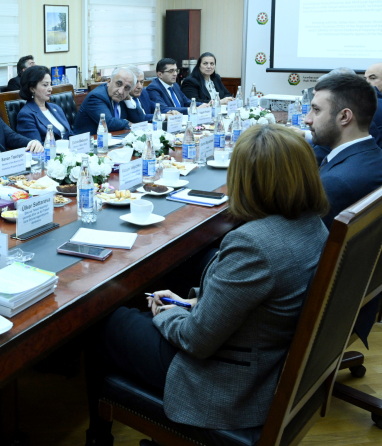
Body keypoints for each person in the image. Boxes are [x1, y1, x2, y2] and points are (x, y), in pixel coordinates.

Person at [84, 124, 330, 444]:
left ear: (245, 179)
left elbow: (195, 339)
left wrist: (168, 313)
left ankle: (98, 437)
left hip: (225, 383)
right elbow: (255, 298)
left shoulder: (253, 244)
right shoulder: (315, 224)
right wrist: (190, 303)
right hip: (264, 356)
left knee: (102, 321)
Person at [304, 73, 382, 229]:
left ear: (345, 117)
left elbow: (308, 240)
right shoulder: (381, 159)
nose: (307, 119)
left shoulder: (334, 183)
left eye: (316, 110)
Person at [73, 67, 145, 135]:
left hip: (114, 138)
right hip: (89, 141)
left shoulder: (123, 96)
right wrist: (127, 123)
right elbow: (108, 123)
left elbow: (140, 120)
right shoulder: (96, 97)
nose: (120, 91)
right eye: (118, 84)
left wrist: (129, 100)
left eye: (127, 88)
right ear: (109, 81)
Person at [15, 65, 74, 142]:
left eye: (50, 84)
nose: (50, 89)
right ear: (32, 88)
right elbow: (37, 145)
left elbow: (70, 134)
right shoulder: (26, 115)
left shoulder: (56, 108)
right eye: (45, 85)